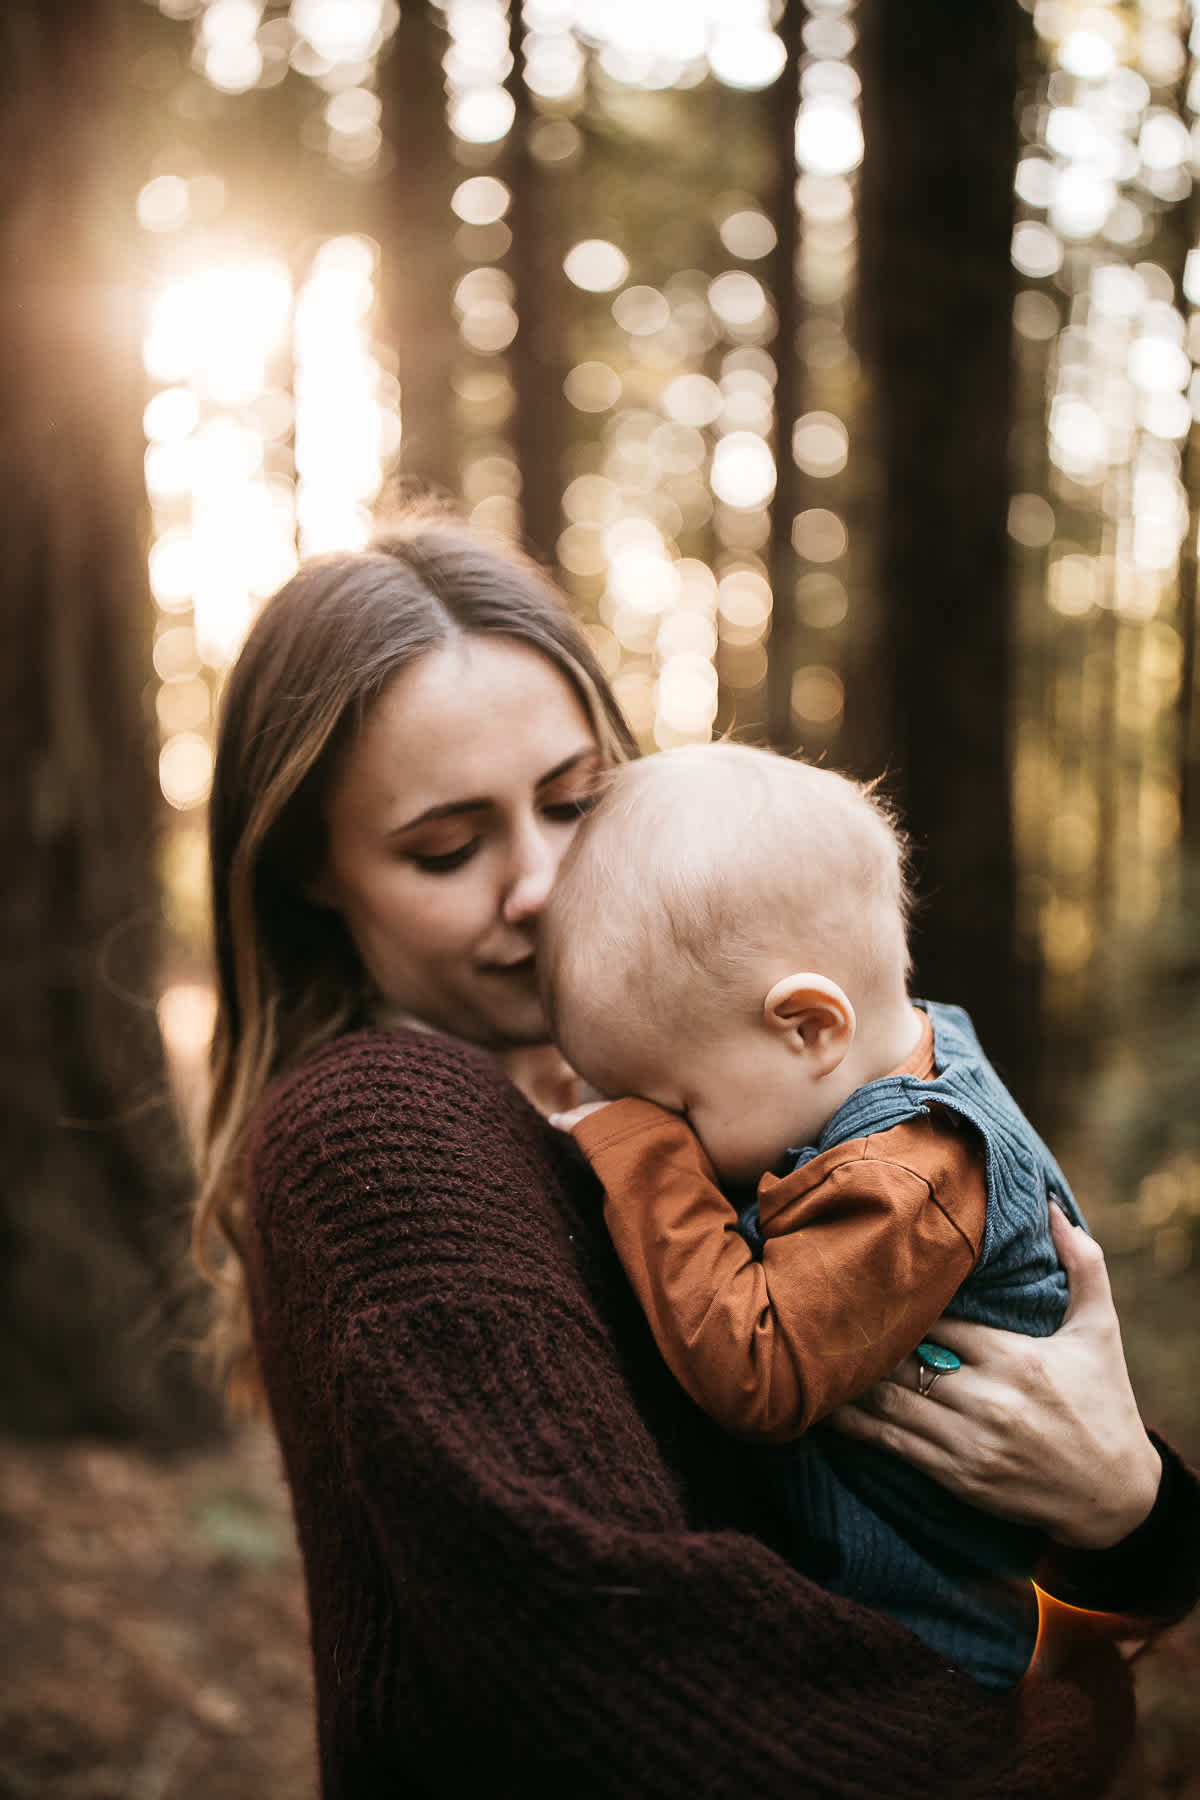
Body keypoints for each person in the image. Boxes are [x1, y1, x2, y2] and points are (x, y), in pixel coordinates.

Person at [195, 507, 1199, 1799]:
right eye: (447, 846)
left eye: (575, 802)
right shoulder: (381, 1130)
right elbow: (640, 1690)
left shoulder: (727, 1084)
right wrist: (1067, 1719)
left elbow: (1008, 1484)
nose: (540, 886)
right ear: (312, 872)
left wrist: (1128, 1506)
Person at [540, 742, 1123, 1687]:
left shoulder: (909, 1178)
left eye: (678, 1107)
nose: (671, 1135)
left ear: (811, 1026)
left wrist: (638, 1152)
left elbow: (760, 1368)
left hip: (926, 1656)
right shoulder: (898, 1054)